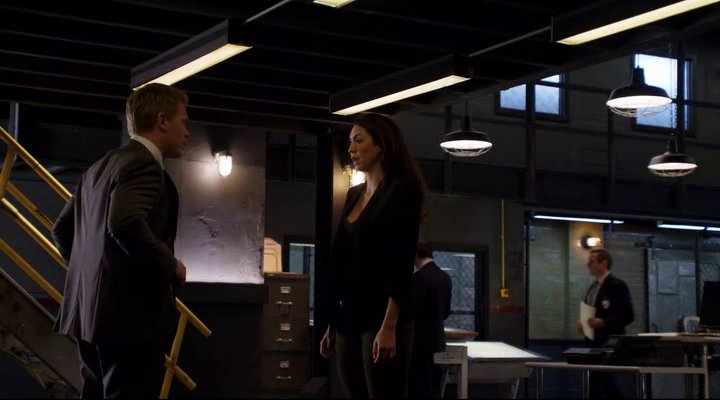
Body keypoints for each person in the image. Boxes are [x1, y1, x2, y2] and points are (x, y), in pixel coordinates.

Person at [52, 83, 190, 398]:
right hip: (130, 321)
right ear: (162, 121)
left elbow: (62, 230)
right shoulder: (144, 164)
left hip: (88, 315)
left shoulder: (99, 167)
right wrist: (171, 266)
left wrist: (94, 278)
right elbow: (125, 222)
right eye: (183, 122)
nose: (187, 132)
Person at [319, 113, 426, 398]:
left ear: (381, 145)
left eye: (358, 140)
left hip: (382, 314)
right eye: (350, 142)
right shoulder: (354, 193)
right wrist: (333, 322)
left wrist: (389, 326)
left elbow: (401, 260)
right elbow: (342, 259)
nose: (351, 149)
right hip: (348, 315)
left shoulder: (403, 189)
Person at [575, 248, 634, 399]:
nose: (588, 264)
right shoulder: (593, 288)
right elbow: (591, 312)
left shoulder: (617, 285)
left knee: (606, 383)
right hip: (593, 343)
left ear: (603, 264)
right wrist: (584, 324)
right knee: (596, 384)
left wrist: (604, 322)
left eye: (592, 262)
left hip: (609, 342)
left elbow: (628, 315)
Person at [408, 241, 452, 399]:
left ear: (415, 255)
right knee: (435, 388)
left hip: (419, 343)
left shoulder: (418, 278)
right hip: (438, 341)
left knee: (418, 388)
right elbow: (446, 312)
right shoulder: (446, 278)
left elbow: (411, 311)